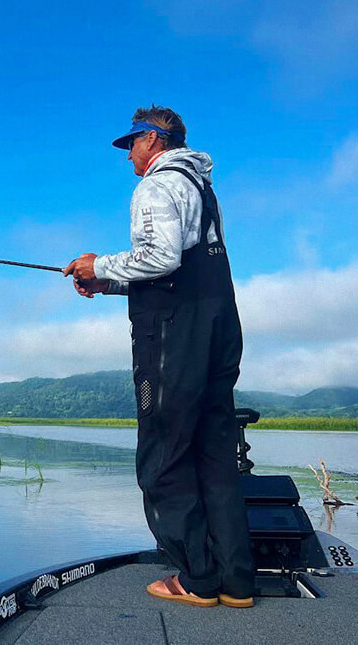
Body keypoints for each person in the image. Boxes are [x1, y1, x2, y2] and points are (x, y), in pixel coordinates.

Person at [62, 106, 255, 608]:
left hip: (173, 338)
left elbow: (160, 257)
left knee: (163, 454)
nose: (128, 154)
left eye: (132, 143)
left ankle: (196, 579)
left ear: (153, 139)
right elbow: (177, 265)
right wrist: (107, 282)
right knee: (215, 454)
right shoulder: (200, 189)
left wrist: (96, 262)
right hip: (217, 329)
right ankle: (235, 582)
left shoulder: (155, 185)